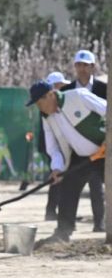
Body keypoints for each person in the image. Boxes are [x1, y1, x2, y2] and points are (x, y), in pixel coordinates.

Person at [26, 80, 106, 243]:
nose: (39, 108)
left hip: (105, 152)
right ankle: (63, 232)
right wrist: (57, 168)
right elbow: (53, 148)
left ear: (50, 95)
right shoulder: (47, 117)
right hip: (80, 157)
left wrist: (108, 141)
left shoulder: (78, 96)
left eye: (39, 103)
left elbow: (108, 111)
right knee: (68, 187)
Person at [60, 50, 107, 232]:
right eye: (79, 65)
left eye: (85, 65)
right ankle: (65, 229)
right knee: (69, 188)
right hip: (79, 151)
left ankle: (100, 225)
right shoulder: (66, 91)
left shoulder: (104, 90)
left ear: (92, 67)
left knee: (98, 189)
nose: (82, 69)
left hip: (103, 148)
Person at [40, 71, 71, 219]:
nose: (63, 88)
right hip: (54, 148)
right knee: (57, 176)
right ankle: (51, 211)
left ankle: (56, 211)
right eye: (60, 85)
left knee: (61, 178)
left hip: (65, 147)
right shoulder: (46, 106)